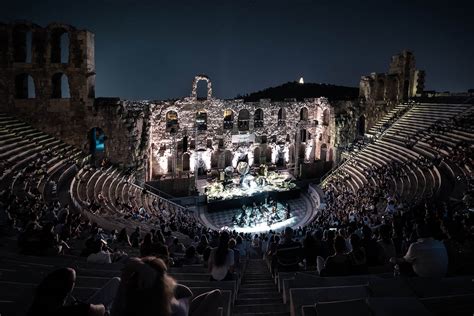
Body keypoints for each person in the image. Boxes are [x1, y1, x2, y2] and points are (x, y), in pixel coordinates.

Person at [111, 257, 222, 316]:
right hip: (176, 306)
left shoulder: (124, 303)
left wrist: (128, 275)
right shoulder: (158, 305)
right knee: (215, 294)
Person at [27, 268, 107, 316]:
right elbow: (102, 309)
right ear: (69, 286)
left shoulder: (37, 306)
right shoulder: (76, 309)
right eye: (73, 281)